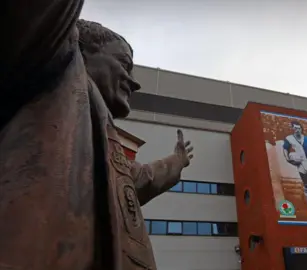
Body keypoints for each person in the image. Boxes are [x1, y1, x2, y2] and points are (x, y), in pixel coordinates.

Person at [1, 1, 192, 269]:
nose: (133, 81)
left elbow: (140, 180)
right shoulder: (50, 58)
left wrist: (177, 160)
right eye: (124, 64)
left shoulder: (100, 136)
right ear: (80, 48)